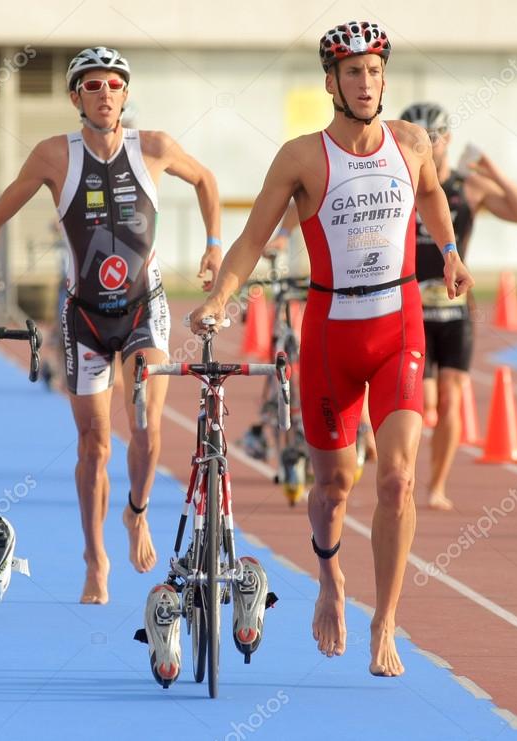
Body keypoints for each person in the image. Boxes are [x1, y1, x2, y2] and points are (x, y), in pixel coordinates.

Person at [190, 22, 473, 677]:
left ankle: (387, 619)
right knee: (332, 483)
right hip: (329, 330)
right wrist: (220, 299)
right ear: (331, 81)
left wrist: (451, 252)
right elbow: (252, 240)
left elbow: (430, 192)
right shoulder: (301, 157)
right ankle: (330, 579)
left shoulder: (411, 141)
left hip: (399, 322)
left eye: (374, 71)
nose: (367, 83)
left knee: (398, 477)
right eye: (353, 72)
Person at [0, 47, 224, 607]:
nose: (104, 94)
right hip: (83, 316)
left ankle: (137, 511)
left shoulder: (155, 147)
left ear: (125, 95)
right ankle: (95, 557)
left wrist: (215, 248)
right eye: (92, 86)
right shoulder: (54, 155)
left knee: (145, 426)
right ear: (76, 97)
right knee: (95, 444)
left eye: (113, 86)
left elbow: (206, 181)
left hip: (145, 307)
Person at [400, 102, 517, 510]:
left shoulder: (467, 188)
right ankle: (402, 473)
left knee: (451, 397)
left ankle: (437, 485)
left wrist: (491, 170)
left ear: (447, 140)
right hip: (412, 307)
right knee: (422, 402)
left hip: (455, 309)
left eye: (435, 138)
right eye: (420, 138)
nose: (428, 146)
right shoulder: (401, 184)